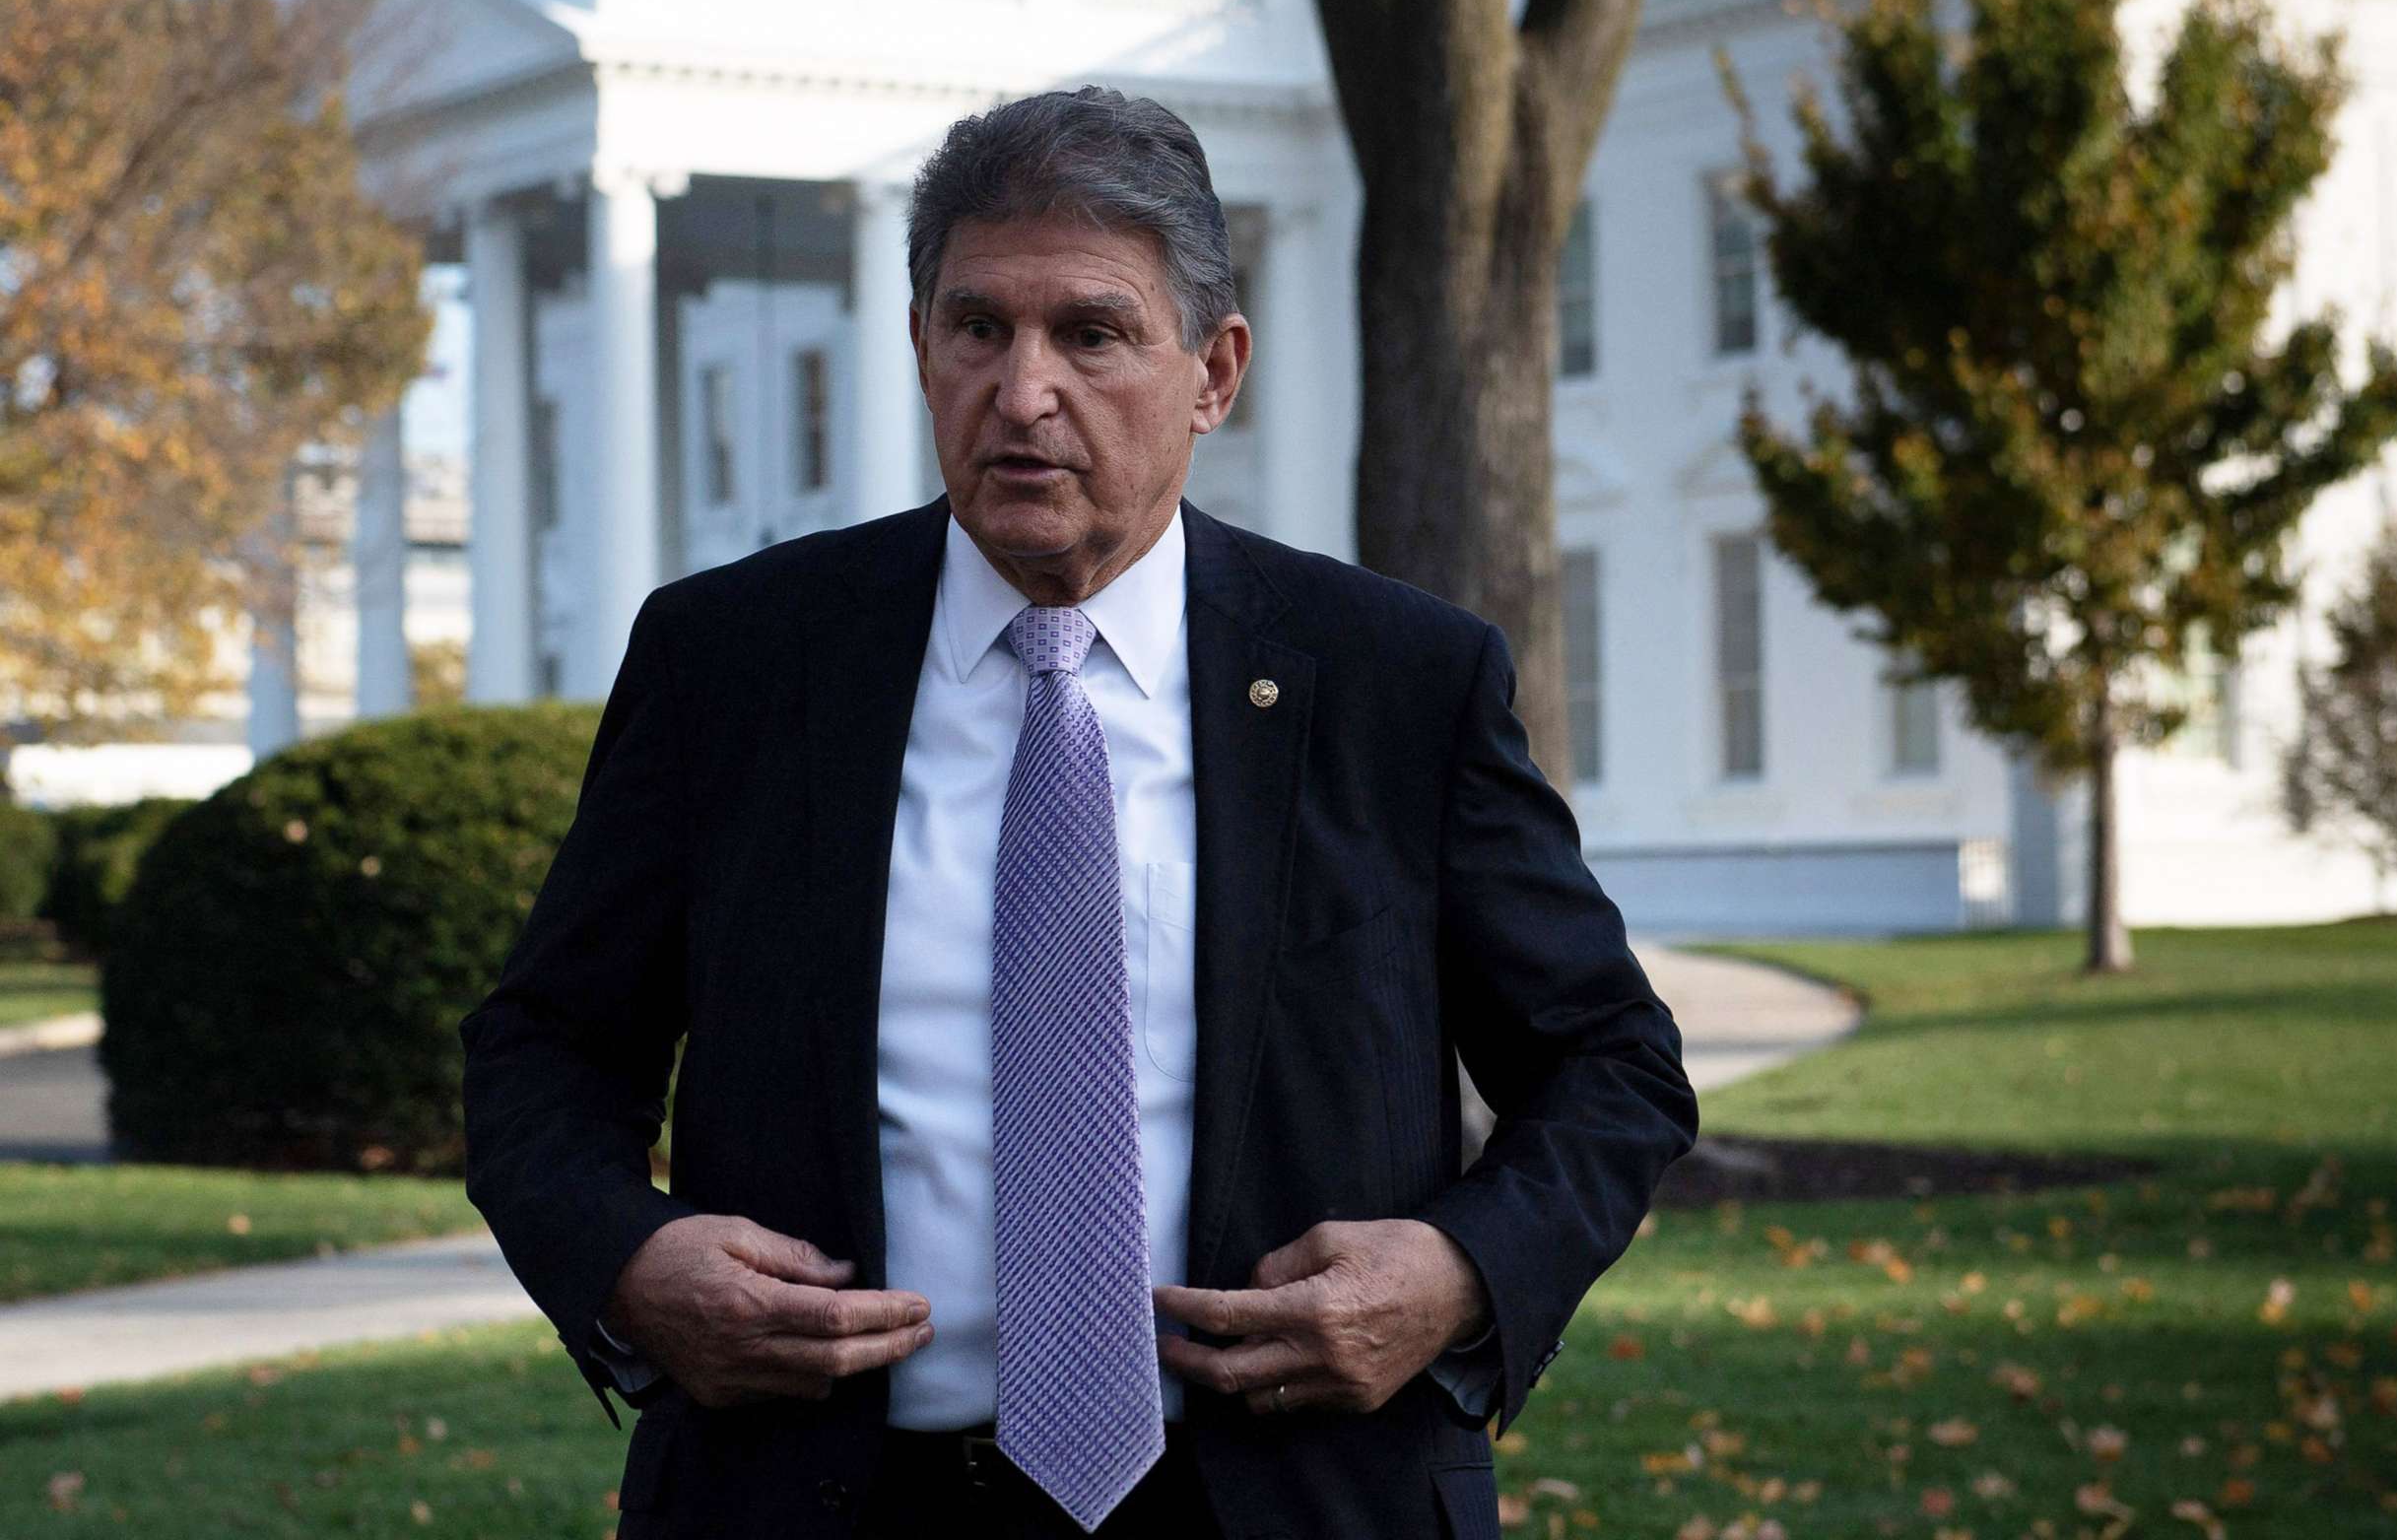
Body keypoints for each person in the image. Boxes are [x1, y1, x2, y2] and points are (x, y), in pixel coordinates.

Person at [458, 86, 1698, 1540]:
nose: (1023, 390)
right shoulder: (732, 664)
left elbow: (1614, 1065)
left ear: (1214, 371)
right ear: (922, 348)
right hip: (821, 1494)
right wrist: (627, 1261)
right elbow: (541, 1050)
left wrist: (1459, 1272)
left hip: (1290, 1499)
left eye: (1092, 334)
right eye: (977, 327)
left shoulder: (1394, 683)